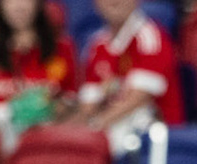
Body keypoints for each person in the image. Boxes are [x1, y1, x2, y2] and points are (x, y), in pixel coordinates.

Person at [73, 0, 182, 154]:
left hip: (152, 141)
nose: (114, 2)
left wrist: (93, 128)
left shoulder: (150, 37)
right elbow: (88, 106)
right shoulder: (96, 45)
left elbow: (137, 100)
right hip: (107, 129)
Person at [0, 0, 75, 142]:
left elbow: (75, 101)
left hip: (46, 141)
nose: (18, 6)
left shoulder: (62, 48)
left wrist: (54, 107)